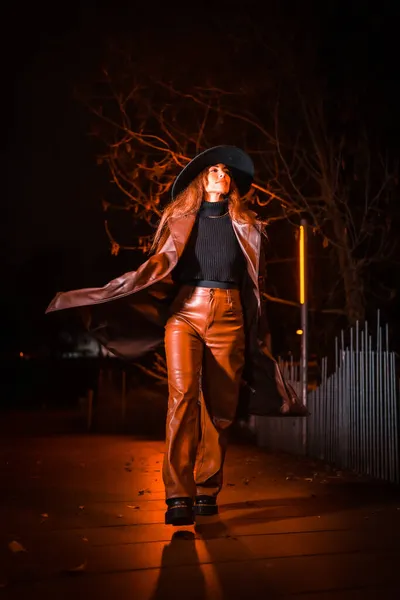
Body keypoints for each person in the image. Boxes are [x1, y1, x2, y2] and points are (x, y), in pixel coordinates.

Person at [46, 145, 307, 527]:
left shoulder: (249, 226)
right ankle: (177, 494)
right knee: (182, 398)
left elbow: (255, 285)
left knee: (219, 408)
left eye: (226, 170)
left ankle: (206, 487)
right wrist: (121, 290)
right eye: (214, 168)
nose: (222, 173)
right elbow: (156, 271)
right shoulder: (180, 221)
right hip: (184, 314)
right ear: (201, 178)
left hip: (230, 316)